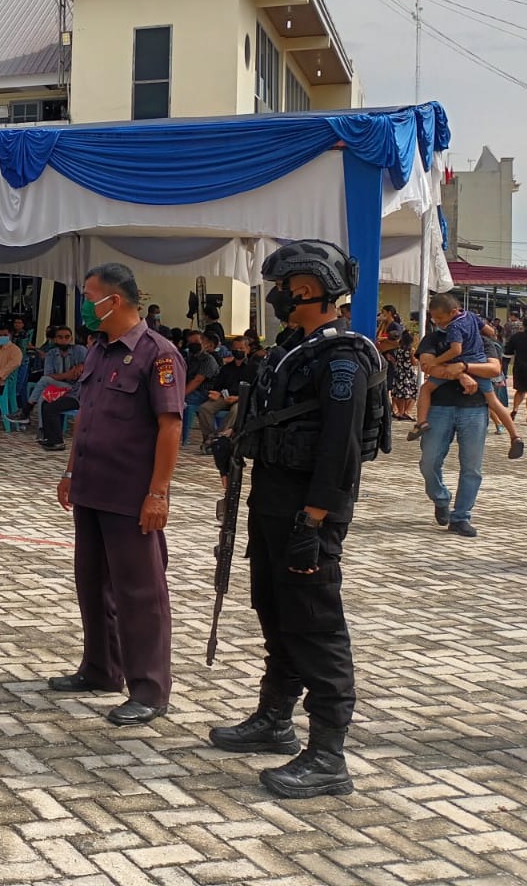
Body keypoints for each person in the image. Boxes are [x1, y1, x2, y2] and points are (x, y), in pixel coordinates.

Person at [208, 239, 387, 799]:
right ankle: (275, 718)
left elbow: (340, 451)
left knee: (316, 623)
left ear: (305, 288)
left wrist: (313, 524)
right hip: (273, 497)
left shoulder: (341, 358)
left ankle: (329, 755)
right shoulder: (296, 347)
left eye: (281, 288)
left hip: (308, 509)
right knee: (275, 608)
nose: (276, 297)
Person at [48, 263, 182, 727]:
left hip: (131, 495)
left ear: (116, 301)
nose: (85, 304)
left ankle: (149, 688)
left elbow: (170, 426)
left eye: (90, 295)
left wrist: (158, 494)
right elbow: (85, 413)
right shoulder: (99, 351)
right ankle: (101, 669)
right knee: (92, 584)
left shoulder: (157, 354)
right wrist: (69, 469)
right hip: (91, 487)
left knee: (140, 594)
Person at [409, 296, 522, 459]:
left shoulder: (453, 327)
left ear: (453, 312)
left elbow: (456, 351)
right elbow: (490, 332)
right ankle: (515, 436)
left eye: (440, 318)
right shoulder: (471, 316)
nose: (438, 322)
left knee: (426, 388)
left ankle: (421, 422)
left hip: (458, 365)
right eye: (435, 318)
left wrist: (437, 361)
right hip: (479, 365)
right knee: (494, 402)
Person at [416, 315, 497, 538]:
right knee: (428, 462)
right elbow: (427, 366)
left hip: (475, 409)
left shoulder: (481, 341)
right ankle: (440, 497)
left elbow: (494, 369)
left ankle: (461, 517)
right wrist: (462, 375)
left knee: (472, 468)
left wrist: (463, 366)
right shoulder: (433, 339)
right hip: (439, 408)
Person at [195, 336, 257, 452]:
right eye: (235, 348)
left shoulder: (254, 368)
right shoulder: (226, 368)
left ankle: (219, 438)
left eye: (241, 348)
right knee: (204, 408)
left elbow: (254, 390)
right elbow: (218, 385)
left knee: (236, 410)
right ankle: (210, 437)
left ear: (247, 349)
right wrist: (217, 393)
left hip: (241, 399)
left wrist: (238, 398)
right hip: (224, 397)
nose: (238, 351)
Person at [35, 326, 86, 450]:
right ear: (55, 340)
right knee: (45, 402)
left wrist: (82, 364)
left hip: (77, 394)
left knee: (51, 407)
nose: (64, 340)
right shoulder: (51, 354)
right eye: (60, 337)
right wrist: (66, 375)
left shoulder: (80, 350)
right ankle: (49, 438)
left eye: (67, 337)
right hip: (58, 389)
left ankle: (57, 441)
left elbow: (91, 364)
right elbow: (49, 375)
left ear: (71, 338)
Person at [387, 328, 419, 420]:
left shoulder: (397, 350)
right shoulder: (411, 350)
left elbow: (396, 362)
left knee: (399, 393)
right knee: (412, 393)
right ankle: (407, 411)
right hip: (408, 373)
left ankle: (401, 412)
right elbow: (414, 363)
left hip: (399, 373)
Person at [507, 317, 527, 423]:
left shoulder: (516, 337)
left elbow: (508, 351)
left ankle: (515, 409)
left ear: (523, 325)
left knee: (520, 390)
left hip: (519, 367)